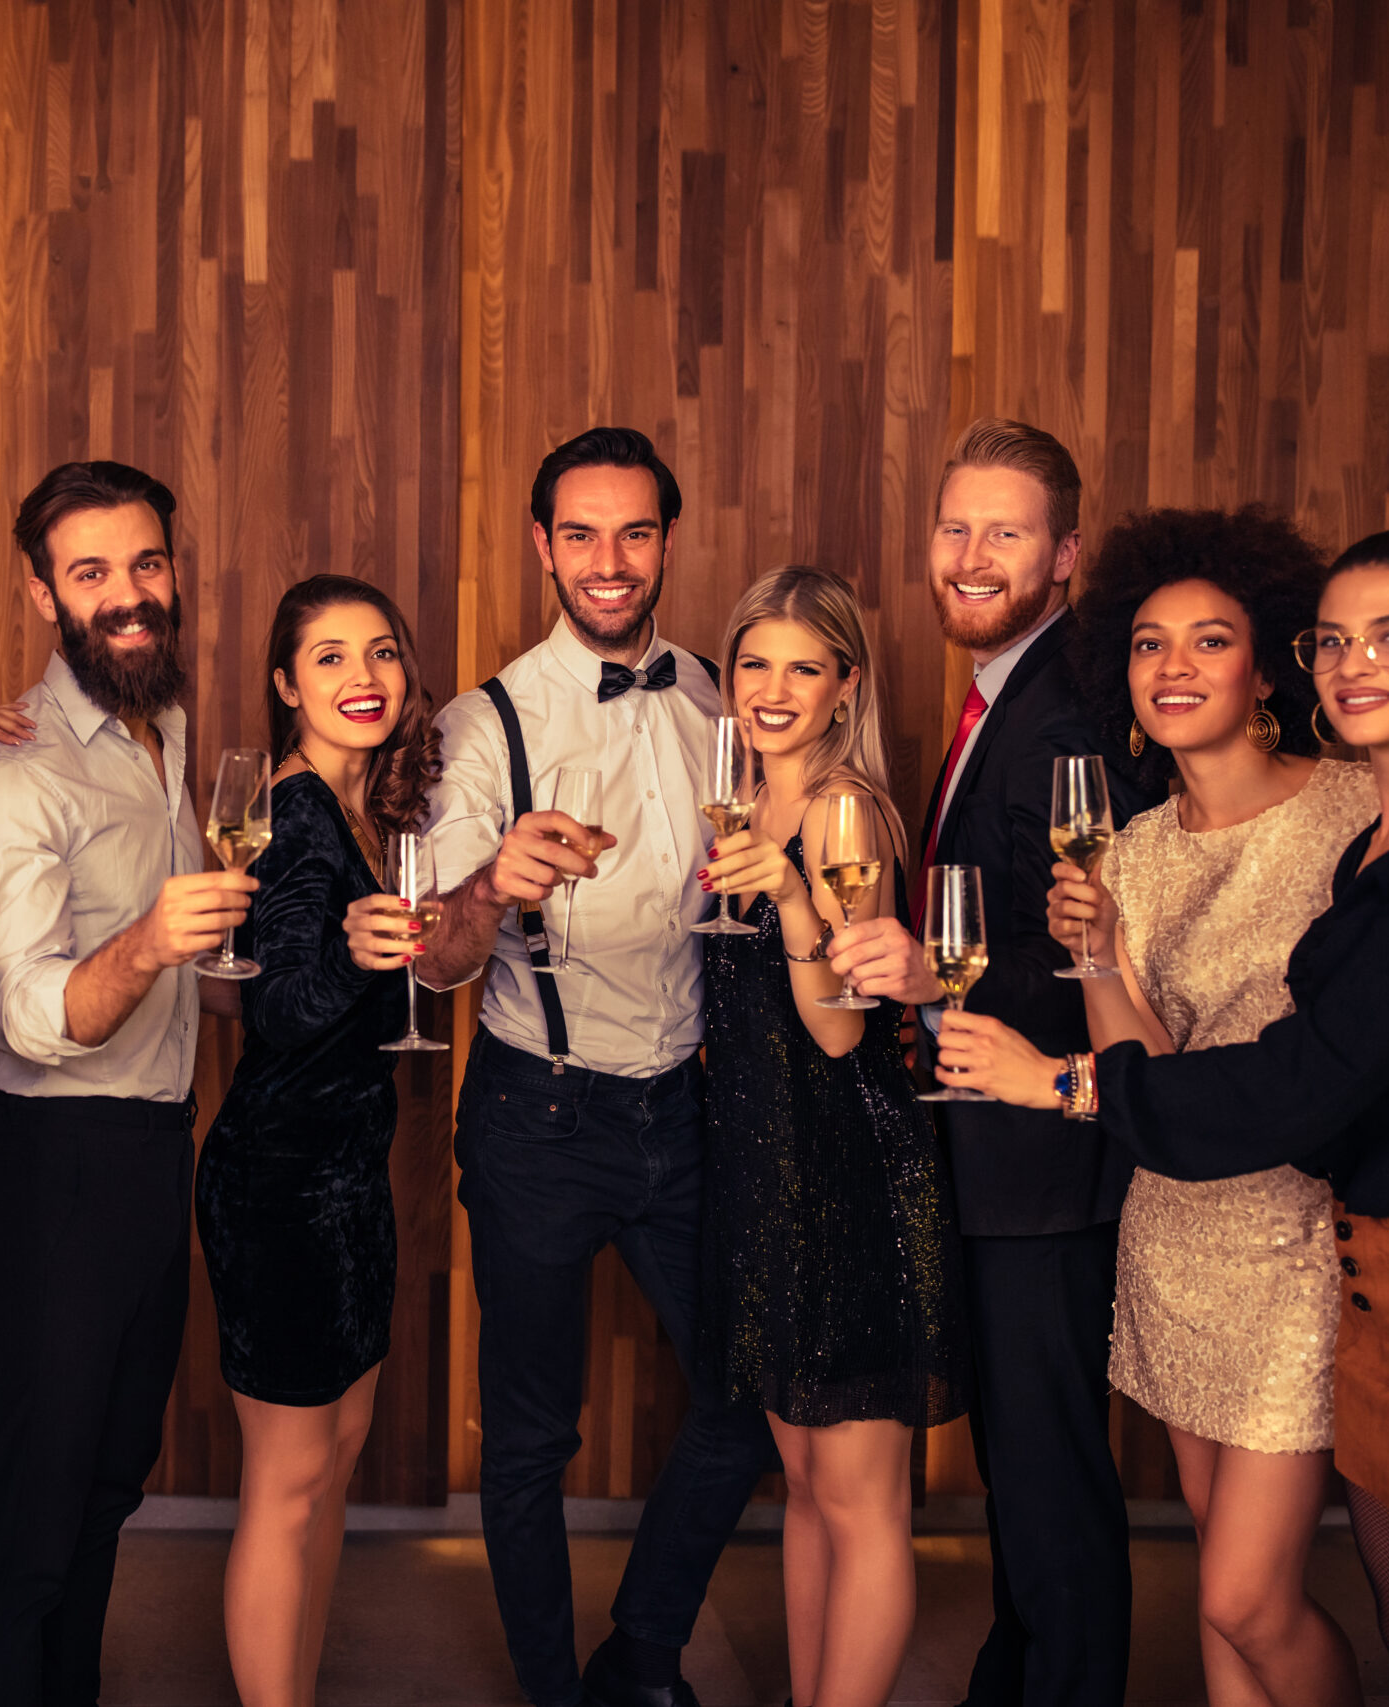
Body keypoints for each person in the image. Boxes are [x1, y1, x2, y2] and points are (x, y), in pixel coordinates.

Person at [936, 528, 1389, 1707]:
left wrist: (1053, 1081)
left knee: (1312, 1625)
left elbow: (1298, 1080)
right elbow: (1257, 1062)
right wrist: (1099, 959)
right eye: (1340, 640)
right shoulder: (1383, 843)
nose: (1357, 661)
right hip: (1359, 1277)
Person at [384, 427, 778, 1707]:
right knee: (531, 1439)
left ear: (668, 538)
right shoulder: (482, 723)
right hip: (537, 1117)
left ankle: (643, 1653)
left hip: (689, 1107)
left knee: (749, 1390)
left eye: (635, 532)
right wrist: (494, 882)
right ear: (541, 546)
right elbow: (435, 966)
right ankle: (553, 1692)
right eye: (581, 534)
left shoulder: (726, 694)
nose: (609, 563)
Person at [824, 418, 1152, 1707]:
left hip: (1044, 1168)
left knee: (1052, 1471)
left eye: (1002, 533)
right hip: (991, 1151)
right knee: (1023, 1461)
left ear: (1064, 552)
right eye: (953, 529)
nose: (969, 556)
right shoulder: (1001, 691)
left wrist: (930, 971)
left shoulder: (1069, 711)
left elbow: (1090, 961)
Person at [1044, 508, 1370, 1707]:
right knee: (1218, 1596)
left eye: (1208, 640)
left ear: (1265, 660)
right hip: (1173, 1236)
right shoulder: (1123, 854)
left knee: (1247, 1596)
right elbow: (1147, 1081)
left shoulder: (1354, 811)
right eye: (1147, 644)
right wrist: (1091, 957)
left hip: (1299, 1243)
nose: (1173, 667)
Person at [0, 460, 258, 1705]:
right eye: (91, 573)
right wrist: (149, 938)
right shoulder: (16, 774)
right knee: (31, 1509)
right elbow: (26, 1016)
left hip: (147, 1155)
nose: (127, 595)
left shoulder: (163, 721)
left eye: (145, 564)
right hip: (50, 1169)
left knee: (108, 1481)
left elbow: (199, 974)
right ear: (41, 592)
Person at [698, 567, 971, 1707]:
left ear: (843, 684)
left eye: (802, 667)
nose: (772, 689)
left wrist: (799, 903)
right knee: (804, 1486)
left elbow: (839, 1029)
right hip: (765, 1177)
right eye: (753, 663)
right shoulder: (741, 800)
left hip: (849, 1174)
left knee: (861, 1503)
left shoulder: (841, 809)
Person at [195, 573, 445, 1707]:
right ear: (287, 684)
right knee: (289, 1485)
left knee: (332, 1464)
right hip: (284, 1187)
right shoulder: (296, 812)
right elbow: (277, 1009)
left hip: (344, 1177)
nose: (363, 677)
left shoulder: (357, 812)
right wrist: (353, 951)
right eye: (332, 657)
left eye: (382, 651)